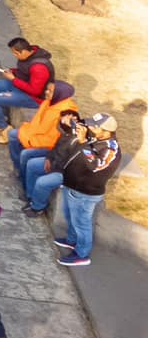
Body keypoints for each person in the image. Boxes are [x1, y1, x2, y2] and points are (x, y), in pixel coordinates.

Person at [47, 112, 120, 266]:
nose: (90, 127)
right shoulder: (95, 137)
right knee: (70, 216)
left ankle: (82, 254)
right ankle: (72, 240)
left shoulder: (111, 149)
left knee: (82, 223)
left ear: (106, 131)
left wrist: (83, 142)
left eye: (95, 126)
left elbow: (96, 165)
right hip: (72, 186)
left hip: (85, 193)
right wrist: (70, 127)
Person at [0, 37, 53, 131]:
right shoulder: (29, 56)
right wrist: (12, 71)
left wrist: (13, 79)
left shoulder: (39, 68)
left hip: (33, 98)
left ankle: (4, 128)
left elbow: (35, 91)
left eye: (16, 53)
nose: (14, 55)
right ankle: (2, 117)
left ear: (24, 51)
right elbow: (24, 72)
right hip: (21, 85)